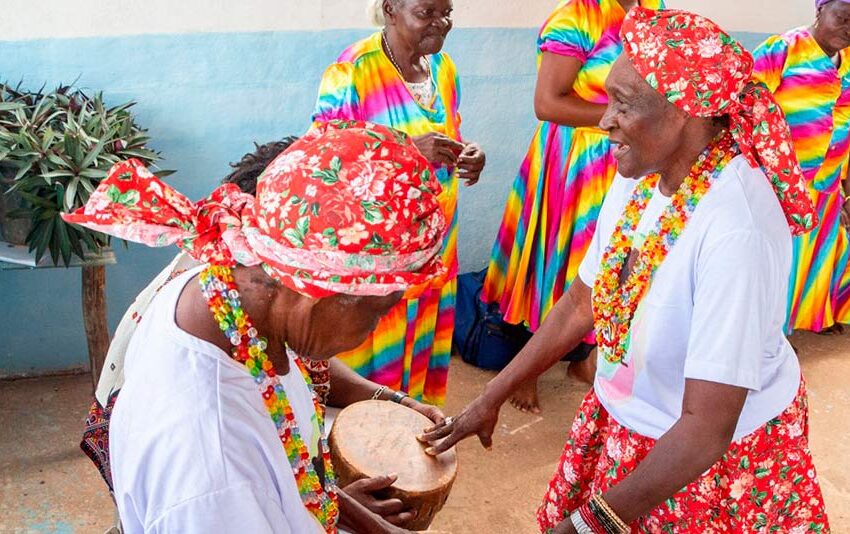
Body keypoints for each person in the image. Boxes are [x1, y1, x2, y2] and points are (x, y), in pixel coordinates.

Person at [422, 8, 831, 532]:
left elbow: (706, 428)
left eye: (623, 104)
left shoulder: (737, 228)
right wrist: (490, 396)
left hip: (706, 468)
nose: (603, 120)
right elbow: (580, 302)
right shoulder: (641, 173)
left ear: (686, 111)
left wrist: (590, 525)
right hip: (628, 422)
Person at [65, 121, 448, 534]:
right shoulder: (212, 468)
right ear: (314, 290)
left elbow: (284, 468)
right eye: (377, 312)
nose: (373, 330)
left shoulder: (223, 294)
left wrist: (327, 508)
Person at [481, 0, 664, 414]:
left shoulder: (653, 10)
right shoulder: (576, 19)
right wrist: (625, 116)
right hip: (576, 163)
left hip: (629, 160)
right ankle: (527, 368)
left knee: (613, 259)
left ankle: (583, 360)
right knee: (561, 262)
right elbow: (547, 104)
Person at [312, 0, 486, 406]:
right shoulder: (353, 70)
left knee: (423, 335)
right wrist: (404, 149)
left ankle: (411, 418)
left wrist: (470, 155)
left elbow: (447, 133)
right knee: (377, 346)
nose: (440, 23)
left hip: (434, 243)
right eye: (426, 13)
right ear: (390, 10)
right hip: (378, 252)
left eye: (447, 12)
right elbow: (323, 161)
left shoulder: (443, 69)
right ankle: (370, 432)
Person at [752, 0, 850, 335]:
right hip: (779, 183)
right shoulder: (783, 49)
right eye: (843, 17)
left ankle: (809, 316)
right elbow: (748, 107)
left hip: (826, 184)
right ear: (820, 10)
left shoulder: (849, 61)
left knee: (814, 255)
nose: (848, 28)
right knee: (776, 261)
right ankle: (769, 335)